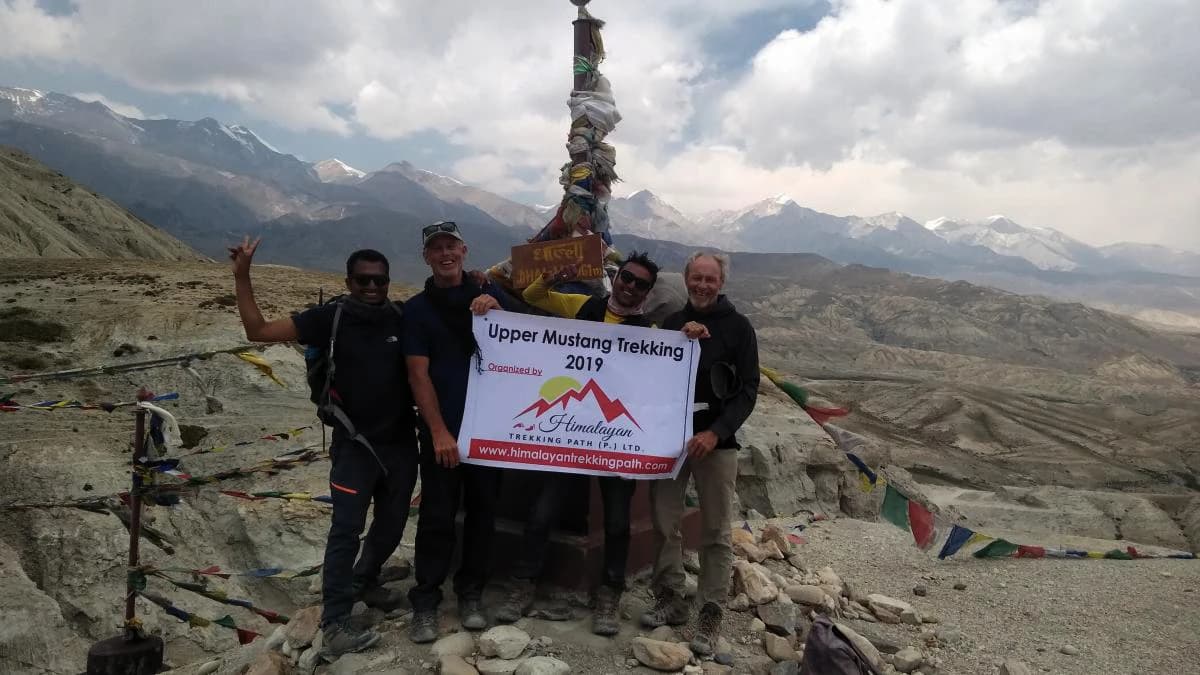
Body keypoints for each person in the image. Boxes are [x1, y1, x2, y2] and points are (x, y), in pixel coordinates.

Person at [229, 237, 416, 659]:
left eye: (379, 280)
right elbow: (257, 332)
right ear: (349, 281)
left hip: (402, 443)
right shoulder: (328, 317)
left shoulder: (403, 317)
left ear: (389, 282)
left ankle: (365, 580)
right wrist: (242, 276)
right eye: (363, 280)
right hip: (353, 445)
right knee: (346, 531)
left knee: (393, 521)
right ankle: (334, 623)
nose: (372, 287)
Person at [495, 251, 659, 635]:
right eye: (627, 278)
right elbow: (534, 296)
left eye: (641, 284)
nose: (630, 287)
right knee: (542, 512)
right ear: (616, 278)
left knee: (618, 522)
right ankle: (523, 585)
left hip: (616, 437)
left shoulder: (651, 333)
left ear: (647, 292)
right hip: (570, 430)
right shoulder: (583, 306)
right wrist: (552, 275)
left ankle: (609, 595)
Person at [403, 221, 519, 643]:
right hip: (444, 431)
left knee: (484, 514)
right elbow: (419, 376)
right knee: (436, 515)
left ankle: (470, 593)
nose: (445, 254)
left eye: (451, 246)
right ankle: (426, 601)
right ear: (427, 257)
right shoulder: (416, 310)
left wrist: (500, 310)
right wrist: (437, 432)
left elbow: (525, 346)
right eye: (437, 248)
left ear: (464, 250)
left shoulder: (488, 295)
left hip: (488, 430)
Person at [642, 251, 759, 656]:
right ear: (687, 280)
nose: (703, 285)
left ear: (720, 282)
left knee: (716, 531)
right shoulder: (673, 324)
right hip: (670, 444)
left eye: (711, 279)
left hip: (717, 445)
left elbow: (747, 390)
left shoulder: (740, 328)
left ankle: (710, 610)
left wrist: (716, 432)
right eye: (697, 278)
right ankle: (668, 596)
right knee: (663, 521)